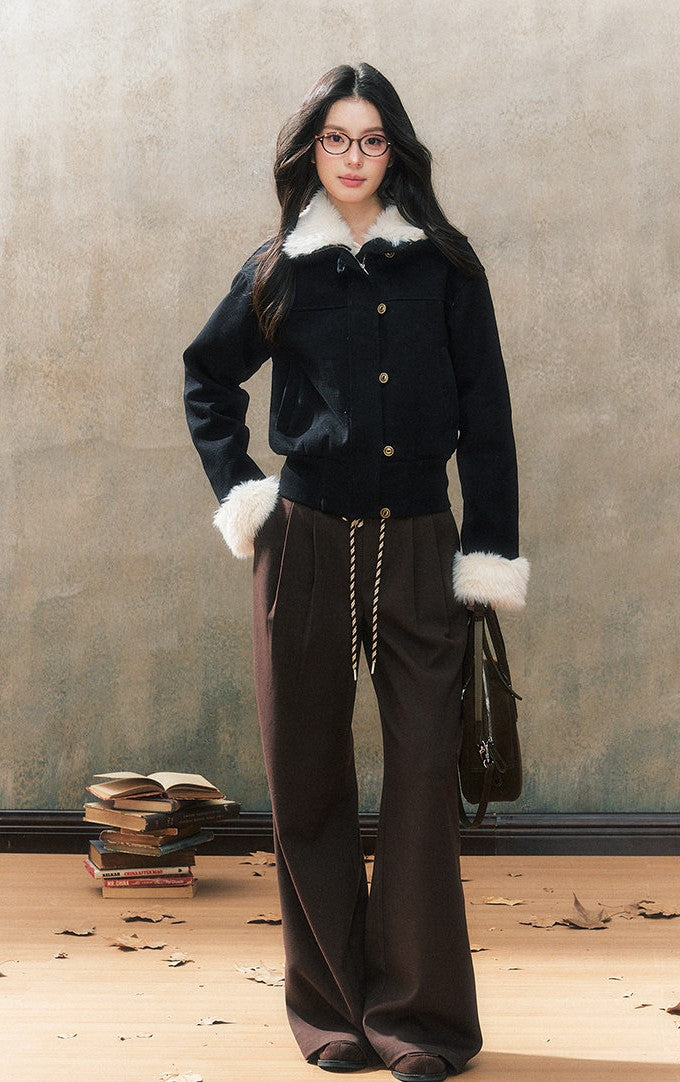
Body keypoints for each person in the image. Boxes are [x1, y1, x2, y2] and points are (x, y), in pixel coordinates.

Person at [183, 62, 530, 1082]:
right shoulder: (278, 271)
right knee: (307, 776)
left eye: (371, 139)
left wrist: (486, 552)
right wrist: (243, 494)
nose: (352, 156)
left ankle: (418, 1018)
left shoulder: (446, 268)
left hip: (419, 543)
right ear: (311, 151)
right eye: (334, 138)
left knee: (422, 778)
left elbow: (489, 419)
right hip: (302, 545)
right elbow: (207, 378)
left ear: (395, 151)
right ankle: (331, 1005)